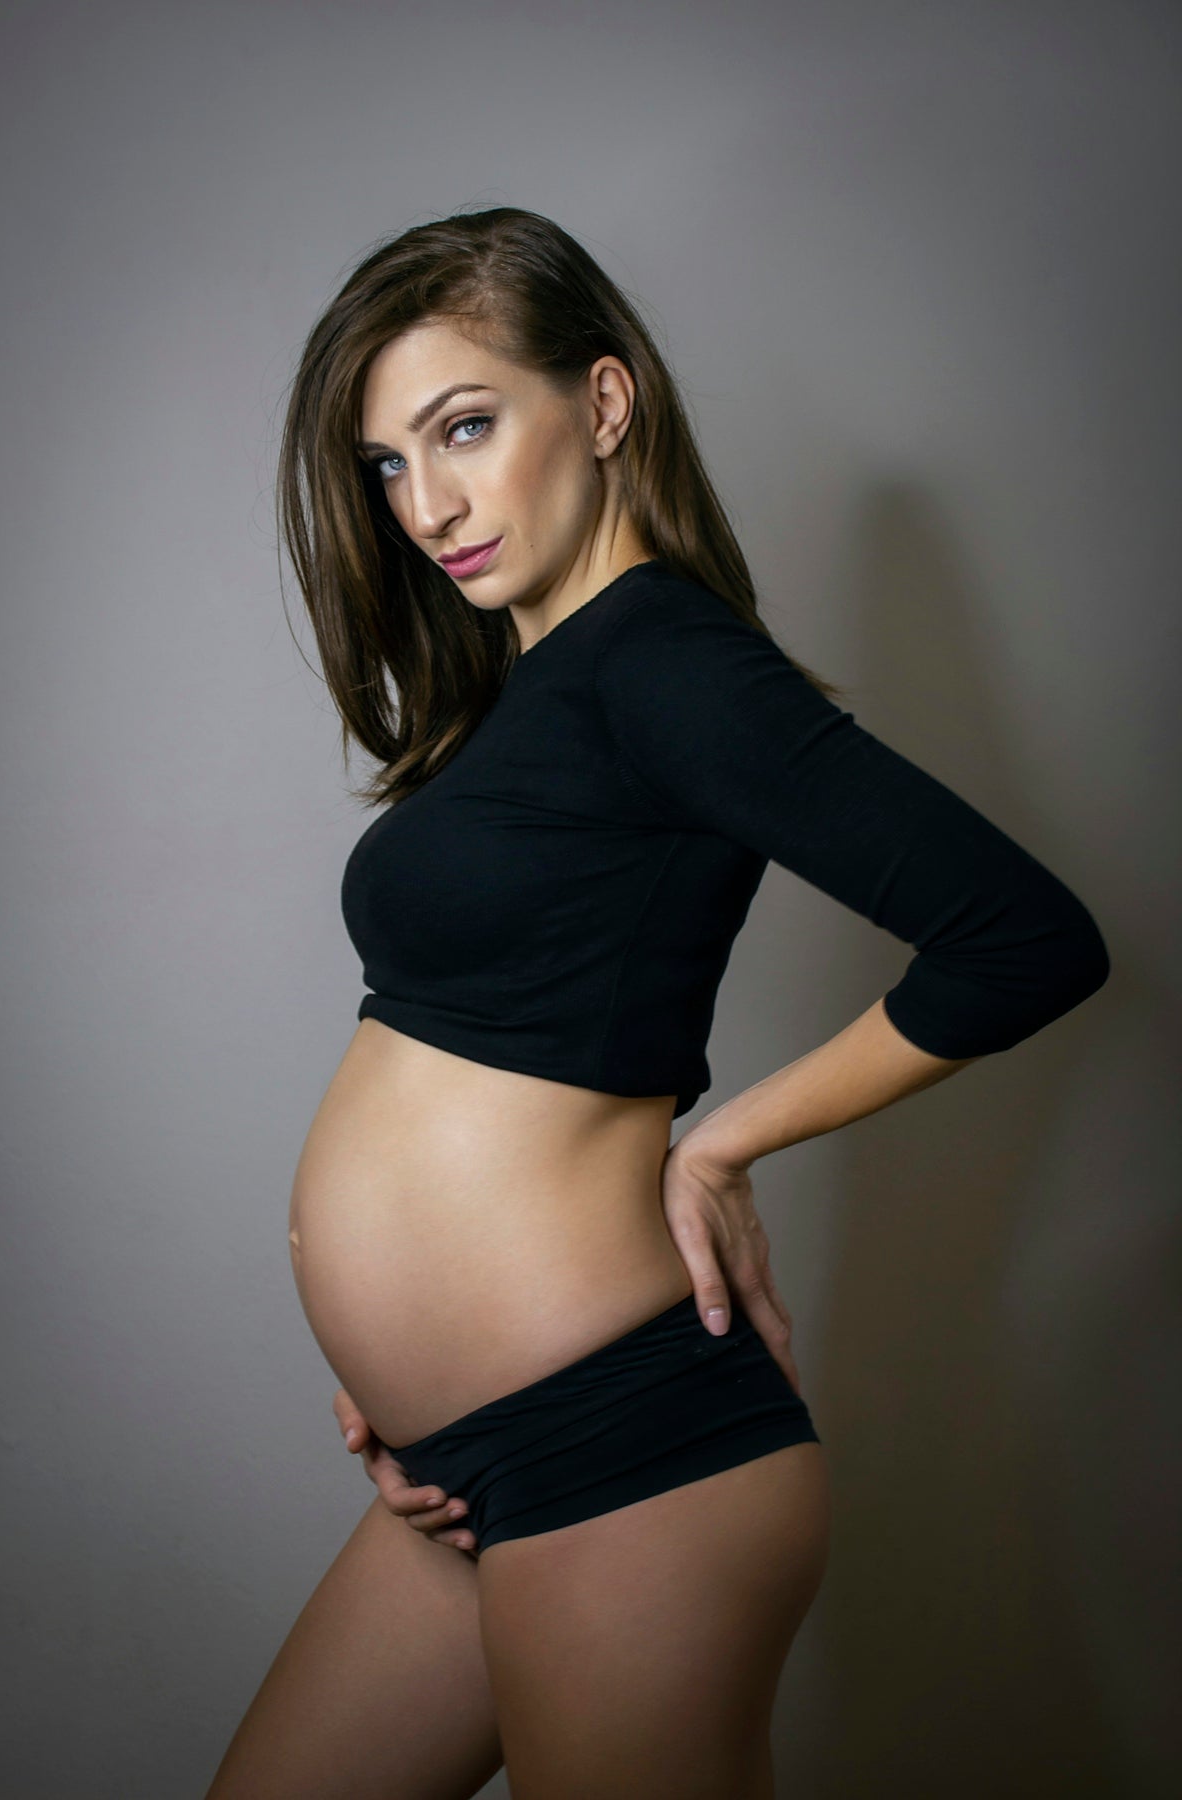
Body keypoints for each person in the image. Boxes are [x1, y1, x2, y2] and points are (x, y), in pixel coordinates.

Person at [204, 206, 1110, 1800]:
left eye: (464, 428)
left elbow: (1024, 936)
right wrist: (400, 1347)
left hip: (627, 1456)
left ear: (604, 404)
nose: (429, 505)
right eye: (390, 466)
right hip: (464, 1465)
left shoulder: (669, 662)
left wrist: (719, 1146)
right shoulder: (531, 693)